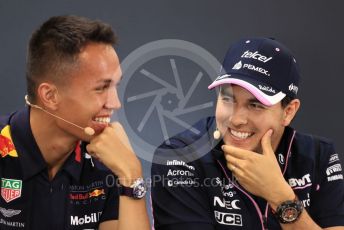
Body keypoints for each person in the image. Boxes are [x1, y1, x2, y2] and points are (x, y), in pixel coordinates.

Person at [151, 37, 344, 229]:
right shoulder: (180, 156)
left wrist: (280, 197)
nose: (236, 120)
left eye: (255, 105)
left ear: (288, 112)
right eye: (227, 99)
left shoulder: (318, 155)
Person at [0, 15, 150, 230]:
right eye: (100, 88)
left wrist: (132, 176)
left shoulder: (109, 162)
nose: (115, 103)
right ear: (50, 96)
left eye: (115, 86)